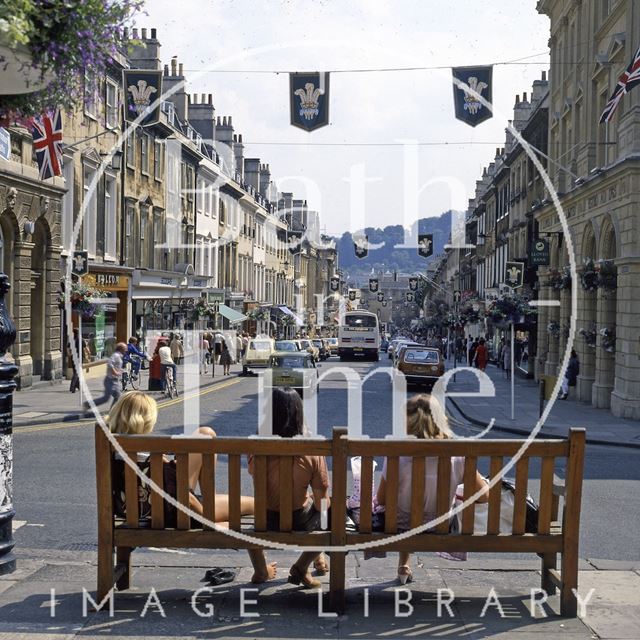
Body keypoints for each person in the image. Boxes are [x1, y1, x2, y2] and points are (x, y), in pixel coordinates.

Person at [107, 392, 276, 584]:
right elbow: (183, 496)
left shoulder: (113, 450)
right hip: (180, 513)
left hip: (138, 512)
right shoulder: (152, 457)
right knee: (206, 435)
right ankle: (263, 570)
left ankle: (210, 506)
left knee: (207, 436)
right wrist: (210, 524)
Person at [375, 394, 488, 584]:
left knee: (404, 505)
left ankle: (404, 564)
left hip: (400, 524)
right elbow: (484, 497)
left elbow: (382, 500)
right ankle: (405, 564)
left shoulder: (397, 453)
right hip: (440, 524)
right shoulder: (458, 453)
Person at [248, 387, 330, 589]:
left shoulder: (255, 446)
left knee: (255, 515)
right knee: (332, 512)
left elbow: (254, 473)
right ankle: (302, 566)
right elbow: (321, 504)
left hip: (264, 518)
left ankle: (260, 569)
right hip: (299, 519)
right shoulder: (312, 449)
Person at [83, 342, 127, 413]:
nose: (126, 350)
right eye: (125, 348)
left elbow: (115, 365)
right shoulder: (115, 355)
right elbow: (110, 363)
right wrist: (115, 372)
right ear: (121, 349)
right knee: (106, 398)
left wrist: (120, 370)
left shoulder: (119, 356)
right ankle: (87, 404)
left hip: (115, 381)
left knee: (118, 396)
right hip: (110, 380)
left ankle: (112, 411)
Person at [69, 328, 80, 393]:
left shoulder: (72, 340)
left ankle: (77, 386)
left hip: (73, 358)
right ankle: (72, 387)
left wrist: (69, 355)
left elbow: (68, 348)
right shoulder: (80, 340)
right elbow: (85, 347)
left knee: (76, 372)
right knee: (76, 373)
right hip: (78, 358)